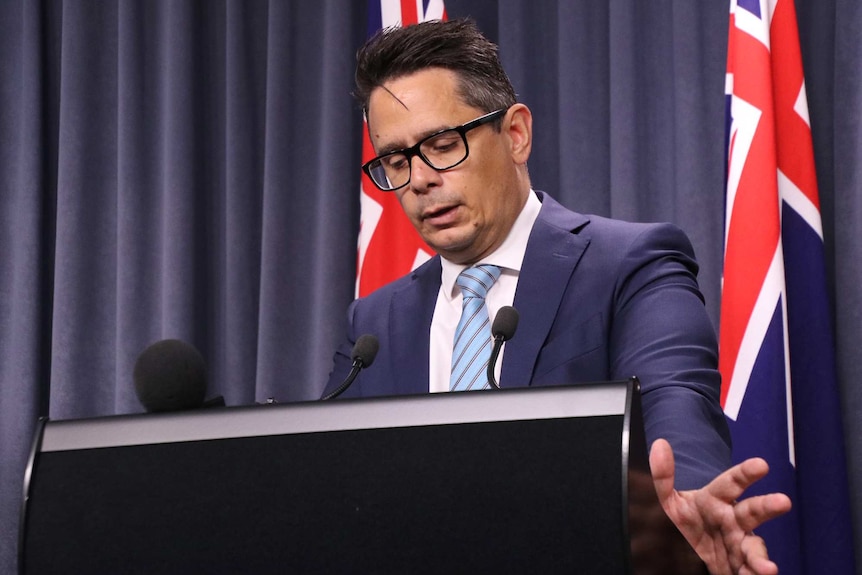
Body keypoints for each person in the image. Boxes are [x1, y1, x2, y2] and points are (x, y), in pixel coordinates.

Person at [324, 18, 790, 574]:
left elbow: (676, 407)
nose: (420, 180)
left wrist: (684, 505)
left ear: (516, 134)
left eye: (442, 145)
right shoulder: (374, 325)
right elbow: (329, 487)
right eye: (397, 162)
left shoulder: (630, 265)